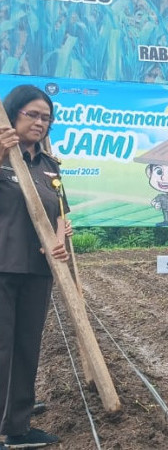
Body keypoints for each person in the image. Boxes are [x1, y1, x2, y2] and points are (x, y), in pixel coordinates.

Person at [0, 85, 71, 448]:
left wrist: (59, 240)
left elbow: (60, 213)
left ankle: (17, 427)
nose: (40, 122)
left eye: (46, 117)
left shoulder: (49, 166)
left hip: (37, 270)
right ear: (12, 114)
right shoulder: (1, 157)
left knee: (27, 347)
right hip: (3, 266)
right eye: (32, 114)